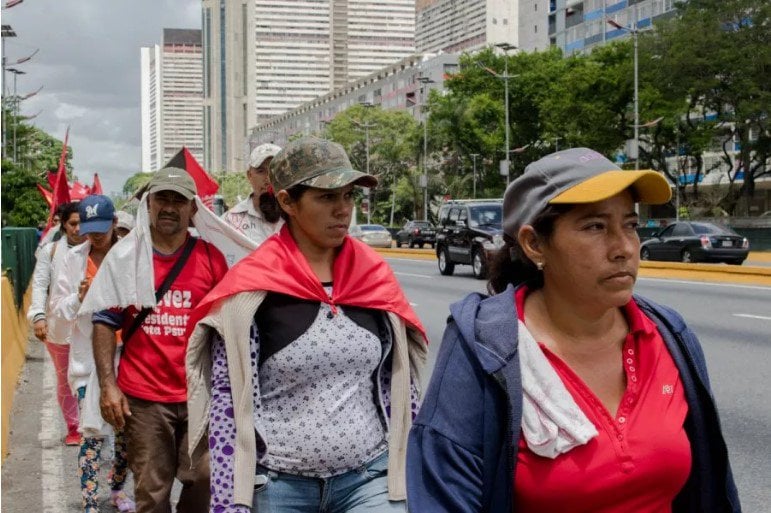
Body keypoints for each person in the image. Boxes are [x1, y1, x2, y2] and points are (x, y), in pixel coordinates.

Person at [407, 148, 741, 513]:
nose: (624, 248)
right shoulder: (487, 349)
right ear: (535, 244)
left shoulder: (668, 335)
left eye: (630, 225)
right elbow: (443, 495)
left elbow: (712, 487)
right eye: (595, 227)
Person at [186, 136, 428, 512]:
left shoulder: (373, 276)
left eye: (348, 196)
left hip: (369, 479)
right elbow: (226, 404)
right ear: (287, 202)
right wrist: (229, 501)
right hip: (279, 487)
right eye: (326, 197)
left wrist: (410, 465)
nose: (343, 210)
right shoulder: (253, 290)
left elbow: (401, 385)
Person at [82, 168, 239, 513]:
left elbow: (228, 322)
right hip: (144, 400)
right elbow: (105, 321)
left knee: (207, 478)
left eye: (178, 200)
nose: (169, 207)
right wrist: (109, 386)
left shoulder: (211, 259)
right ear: (149, 205)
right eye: (162, 199)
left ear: (192, 209)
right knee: (152, 494)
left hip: (200, 394)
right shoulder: (125, 258)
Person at [49, 195, 135, 513]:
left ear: (114, 224)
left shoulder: (131, 255)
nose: (95, 236)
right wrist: (77, 297)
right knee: (92, 434)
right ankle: (89, 501)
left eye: (102, 229)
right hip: (88, 362)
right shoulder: (71, 259)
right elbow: (58, 312)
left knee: (125, 435)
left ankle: (116, 489)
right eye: (89, 230)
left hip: (128, 357)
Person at [27, 201, 85, 445]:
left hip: (90, 327)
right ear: (63, 225)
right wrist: (38, 316)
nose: (78, 228)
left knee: (89, 376)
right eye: (73, 223)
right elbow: (39, 285)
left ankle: (90, 425)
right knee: (65, 379)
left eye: (82, 223)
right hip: (58, 327)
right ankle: (73, 427)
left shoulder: (96, 248)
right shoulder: (49, 251)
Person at [222, 143, 284, 244]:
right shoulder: (230, 220)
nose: (268, 179)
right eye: (261, 171)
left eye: (275, 170)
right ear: (249, 175)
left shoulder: (298, 217)